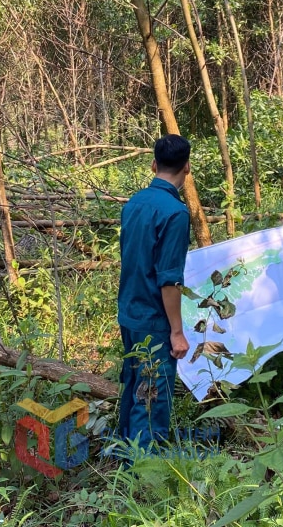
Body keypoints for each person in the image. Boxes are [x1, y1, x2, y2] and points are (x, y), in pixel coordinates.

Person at [117, 134, 192, 452]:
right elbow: (169, 280)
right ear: (187, 168)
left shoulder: (135, 203)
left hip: (129, 311)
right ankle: (143, 469)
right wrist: (177, 331)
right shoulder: (175, 213)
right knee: (152, 394)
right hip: (154, 319)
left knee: (133, 382)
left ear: (153, 164)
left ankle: (124, 448)